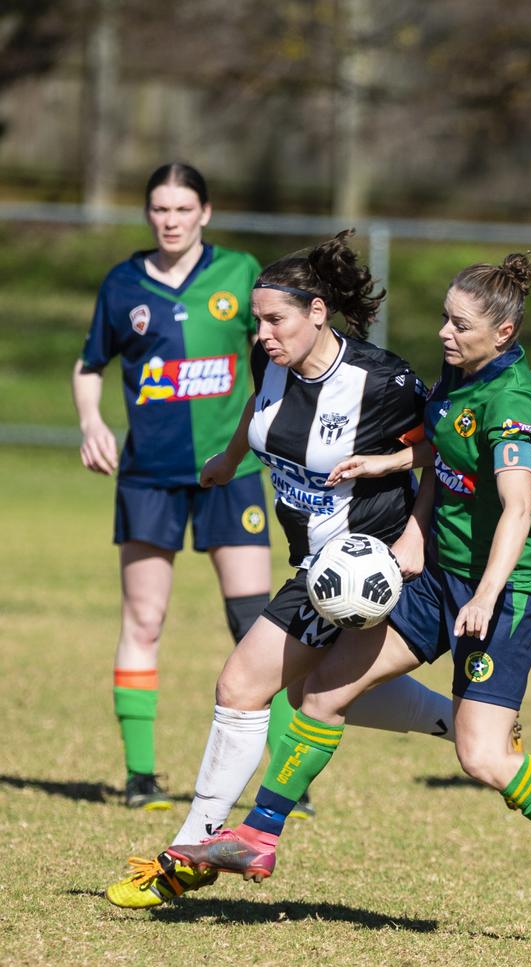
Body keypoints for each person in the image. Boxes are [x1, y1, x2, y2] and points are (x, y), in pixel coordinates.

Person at [164, 253, 531, 950]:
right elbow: (443, 457)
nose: (444, 333)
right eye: (444, 318)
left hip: (502, 591)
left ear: (504, 334)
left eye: (459, 323)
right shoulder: (459, 376)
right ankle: (260, 836)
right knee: (325, 691)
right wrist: (406, 502)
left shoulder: (511, 405)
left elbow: (517, 509)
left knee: (483, 758)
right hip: (437, 577)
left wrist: (484, 594)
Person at [105, 230, 457, 909]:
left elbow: (446, 453)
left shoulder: (381, 382)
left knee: (243, 685)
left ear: (318, 312)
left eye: (276, 319)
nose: (262, 332)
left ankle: (188, 854)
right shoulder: (271, 362)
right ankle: (460, 721)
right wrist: (231, 457)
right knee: (313, 696)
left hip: (369, 566)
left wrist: (411, 530)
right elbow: (257, 412)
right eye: (258, 319)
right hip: (315, 566)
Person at [73, 162, 273, 810]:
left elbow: (283, 348)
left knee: (258, 624)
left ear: (205, 214)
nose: (171, 220)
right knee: (145, 618)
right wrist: (90, 422)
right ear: (148, 215)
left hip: (232, 472)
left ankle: (281, 783)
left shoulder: (240, 274)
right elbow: (88, 366)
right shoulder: (122, 283)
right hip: (149, 477)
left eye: (183, 209)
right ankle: (140, 777)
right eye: (160, 209)